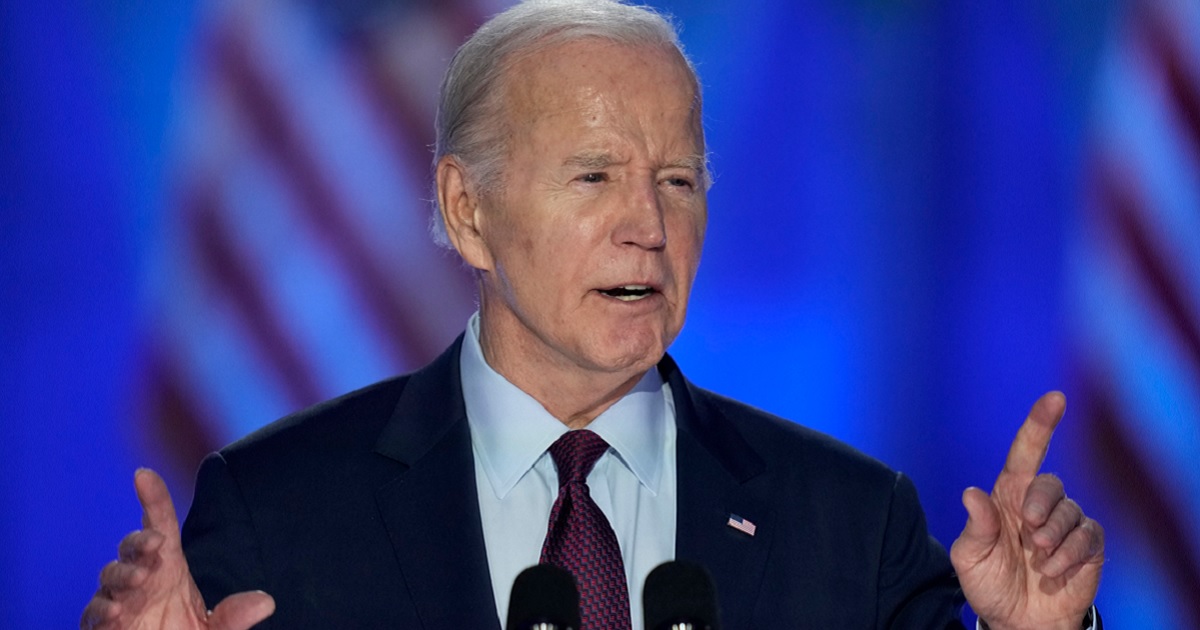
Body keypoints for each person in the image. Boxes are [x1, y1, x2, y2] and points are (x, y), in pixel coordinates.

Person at [81, 1, 1105, 628]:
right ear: (465, 210)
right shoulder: (276, 512)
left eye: (678, 181)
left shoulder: (851, 521)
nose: (648, 228)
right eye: (594, 176)